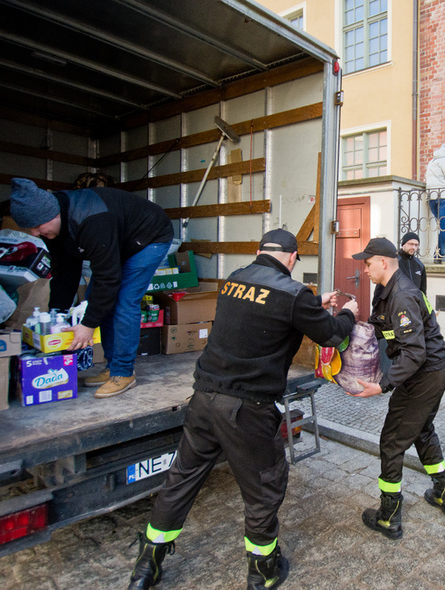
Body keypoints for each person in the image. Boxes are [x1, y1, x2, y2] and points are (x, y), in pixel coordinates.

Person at [126, 229, 358, 590]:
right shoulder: (295, 294)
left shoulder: (235, 280)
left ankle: (147, 564)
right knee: (265, 485)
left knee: (182, 477)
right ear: (294, 258)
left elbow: (261, 314)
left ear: (258, 251)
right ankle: (263, 570)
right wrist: (348, 315)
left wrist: (313, 305)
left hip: (204, 397)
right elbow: (332, 335)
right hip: (247, 408)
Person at [9, 178, 173, 398]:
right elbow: (65, 271)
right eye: (30, 229)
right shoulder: (53, 226)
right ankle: (112, 366)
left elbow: (109, 278)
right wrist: (57, 314)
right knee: (97, 297)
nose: (35, 234)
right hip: (120, 237)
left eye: (38, 227)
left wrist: (88, 324)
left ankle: (124, 373)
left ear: (53, 214)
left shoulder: (92, 220)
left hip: (149, 236)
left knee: (124, 300)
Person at [350, 238, 445, 540]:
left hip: (425, 374)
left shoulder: (404, 295)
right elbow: (376, 329)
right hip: (428, 373)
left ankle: (389, 516)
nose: (365, 269)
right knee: (420, 430)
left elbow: (414, 353)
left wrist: (382, 385)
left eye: (368, 263)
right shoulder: (385, 291)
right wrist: (346, 325)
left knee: (392, 441)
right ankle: (444, 491)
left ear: (383, 262)